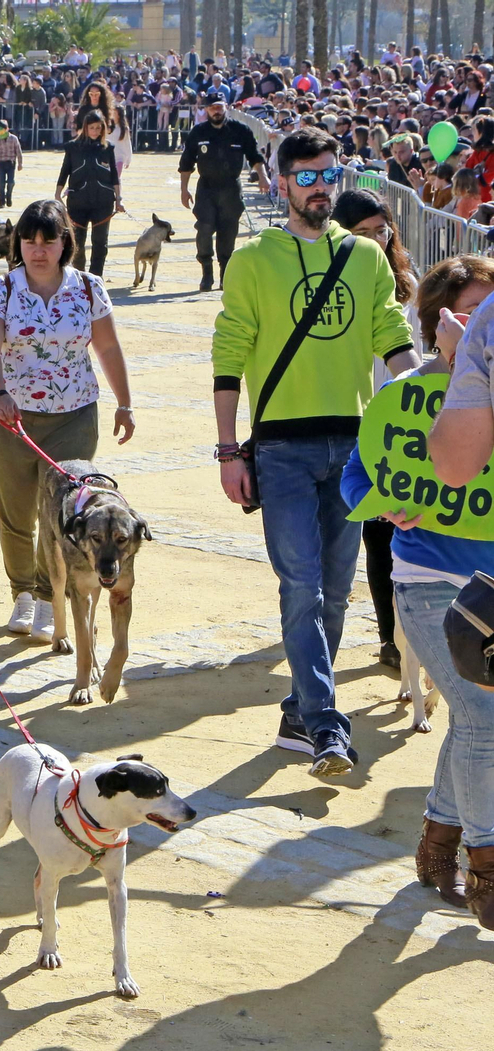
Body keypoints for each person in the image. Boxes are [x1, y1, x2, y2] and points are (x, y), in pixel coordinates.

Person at [213, 126, 419, 777]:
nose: (319, 186)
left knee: (334, 593)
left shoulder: (366, 258)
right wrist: (227, 450)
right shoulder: (252, 261)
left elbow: (391, 336)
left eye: (328, 174)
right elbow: (229, 356)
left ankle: (301, 711)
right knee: (300, 585)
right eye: (305, 176)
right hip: (281, 450)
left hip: (354, 446)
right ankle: (329, 727)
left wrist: (427, 405)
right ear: (281, 184)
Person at [348, 255, 494, 927]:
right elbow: (357, 476)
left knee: (472, 718)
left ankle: (437, 846)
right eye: (467, 313)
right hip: (431, 582)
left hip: (490, 585)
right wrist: (384, 505)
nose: (478, 327)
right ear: (436, 320)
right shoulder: (405, 394)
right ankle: (486, 869)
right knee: (484, 718)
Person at [0, 199, 134, 641]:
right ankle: (22, 593)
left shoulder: (88, 288)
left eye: (49, 240)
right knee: (16, 512)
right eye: (29, 240)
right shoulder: (1, 289)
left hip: (74, 416)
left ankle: (49, 597)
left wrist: (125, 402)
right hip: (12, 416)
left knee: (62, 513)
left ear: (66, 241)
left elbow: (107, 348)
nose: (38, 249)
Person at [332, 189, 419, 675]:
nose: (374, 240)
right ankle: (385, 631)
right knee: (371, 531)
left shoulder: (409, 281)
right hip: (351, 418)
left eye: (380, 230)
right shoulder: (333, 283)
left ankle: (399, 635)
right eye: (361, 233)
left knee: (394, 530)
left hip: (402, 421)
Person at [179, 91, 271, 291]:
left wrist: (263, 177)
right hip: (206, 188)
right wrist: (184, 189)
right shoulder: (198, 132)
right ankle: (207, 272)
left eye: (219, 106)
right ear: (206, 110)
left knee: (228, 232)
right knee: (204, 228)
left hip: (230, 188)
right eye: (212, 107)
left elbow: (255, 156)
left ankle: (225, 274)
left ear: (226, 107)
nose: (216, 111)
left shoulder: (240, 130)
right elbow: (186, 163)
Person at [54, 110, 121, 278]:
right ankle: (80, 276)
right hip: (78, 201)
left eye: (99, 128)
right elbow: (65, 171)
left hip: (103, 202)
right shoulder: (73, 147)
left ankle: (96, 278)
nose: (96, 131)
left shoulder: (107, 148)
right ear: (85, 128)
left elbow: (114, 175)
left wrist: (119, 198)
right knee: (77, 242)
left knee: (100, 243)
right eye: (92, 128)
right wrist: (57, 194)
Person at [0, 119, 23, 207]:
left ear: (7, 129)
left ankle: (9, 196)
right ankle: (1, 201)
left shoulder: (14, 139)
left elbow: (18, 151)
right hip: (1, 163)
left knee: (11, 182)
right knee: (1, 184)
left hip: (11, 163)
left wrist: (20, 163)